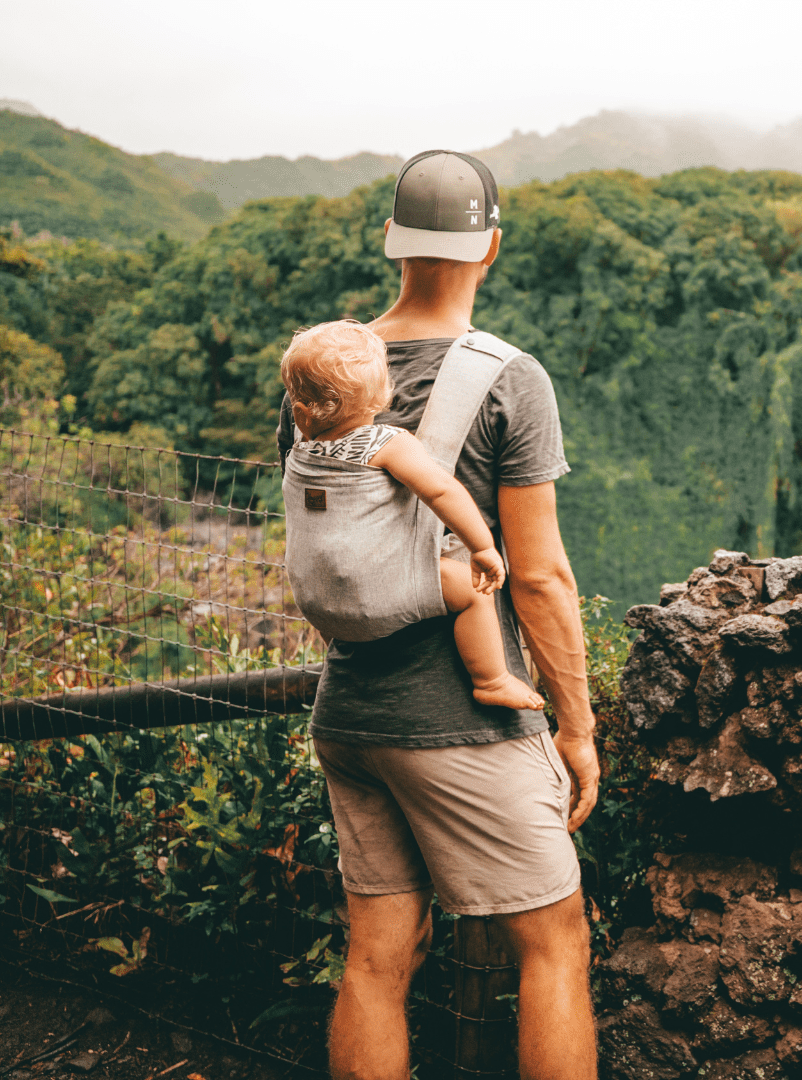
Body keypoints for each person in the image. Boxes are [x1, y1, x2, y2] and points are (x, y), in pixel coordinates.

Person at [277, 149, 599, 1080]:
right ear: (490, 246)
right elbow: (537, 577)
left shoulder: (314, 373)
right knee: (554, 944)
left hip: (350, 714)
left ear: (391, 241)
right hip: (462, 722)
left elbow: (324, 530)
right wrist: (575, 725)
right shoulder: (509, 377)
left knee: (378, 959)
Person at [279, 319, 545, 711]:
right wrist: (482, 547)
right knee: (470, 591)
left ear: (300, 415)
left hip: (320, 606)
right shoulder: (388, 444)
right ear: (384, 395)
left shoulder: (301, 451)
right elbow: (441, 490)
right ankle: (492, 680)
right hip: (380, 597)